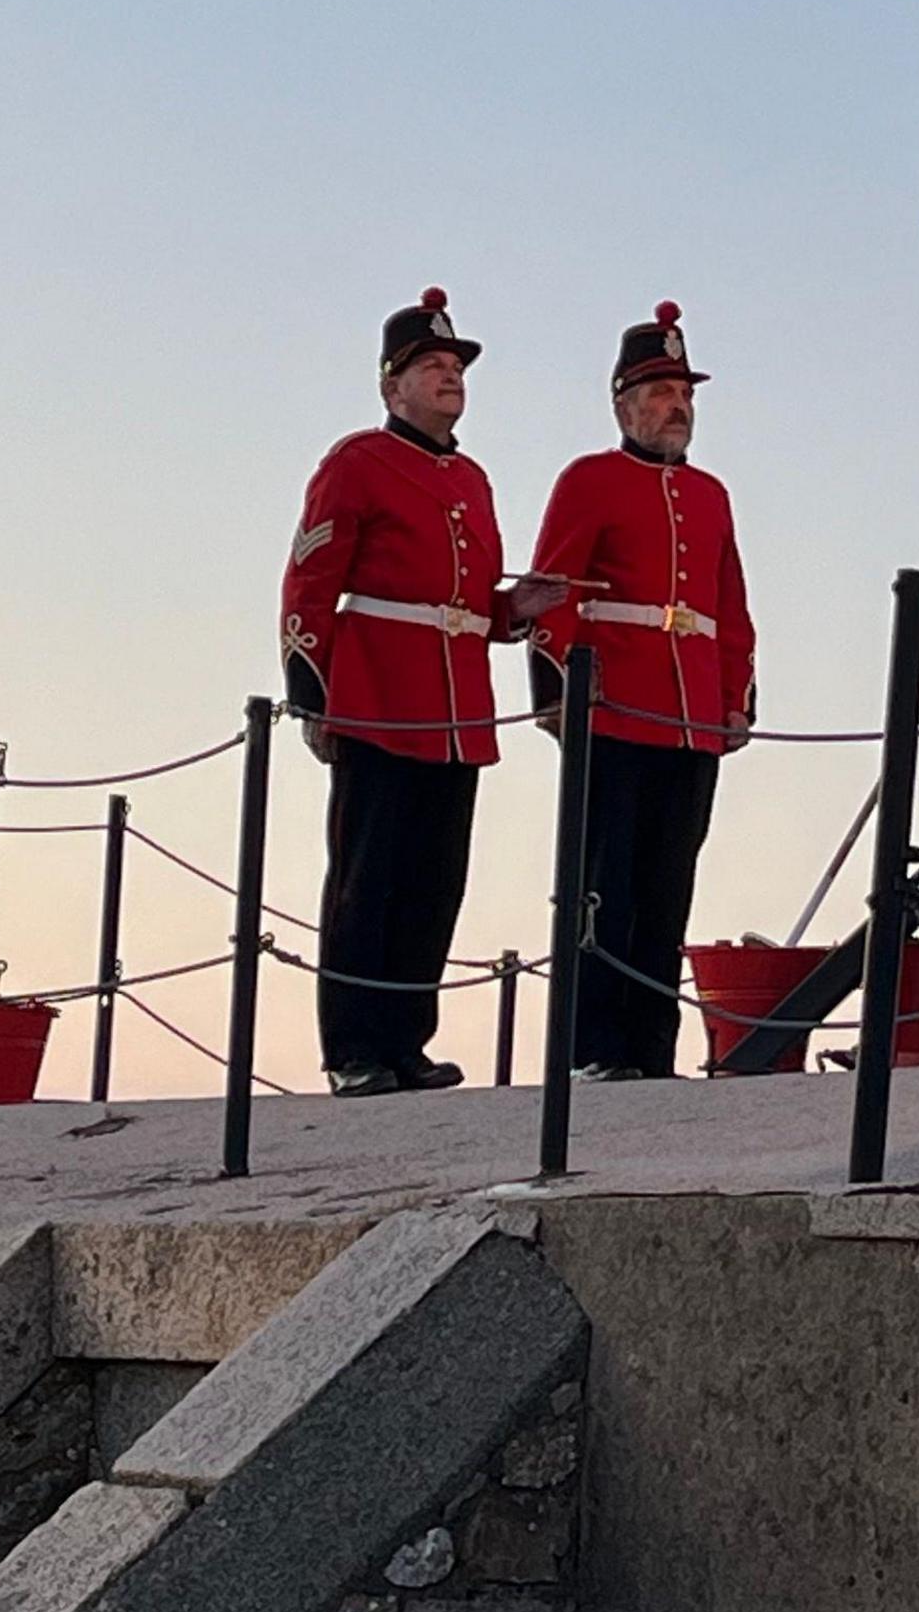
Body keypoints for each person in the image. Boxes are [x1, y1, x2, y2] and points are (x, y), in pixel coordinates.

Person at [280, 287, 568, 1095]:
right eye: (432, 367)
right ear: (391, 387)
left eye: (455, 367)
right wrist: (312, 691)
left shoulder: (473, 479)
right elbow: (310, 577)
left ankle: (406, 1041)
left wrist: (518, 610)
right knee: (367, 880)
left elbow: (472, 606)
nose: (450, 378)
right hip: (376, 697)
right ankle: (354, 1051)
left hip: (458, 712)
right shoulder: (356, 462)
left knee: (435, 881)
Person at [527, 300, 757, 1082]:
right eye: (659, 392)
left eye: (684, 391)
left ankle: (650, 1051)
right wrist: (558, 687)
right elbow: (552, 587)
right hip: (616, 704)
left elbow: (729, 605)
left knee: (668, 889)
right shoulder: (590, 479)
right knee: (605, 888)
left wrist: (735, 698)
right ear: (623, 404)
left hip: (690, 714)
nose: (677, 405)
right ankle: (594, 1048)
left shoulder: (712, 495)